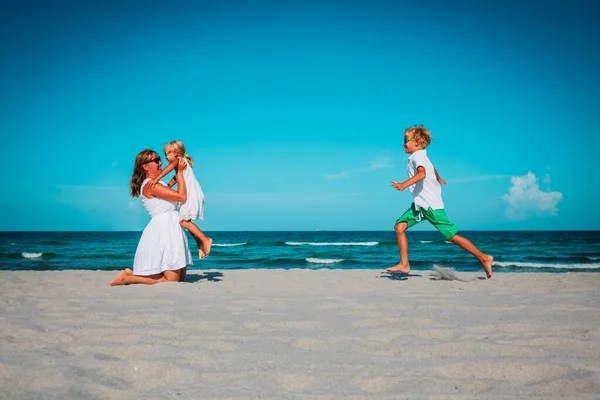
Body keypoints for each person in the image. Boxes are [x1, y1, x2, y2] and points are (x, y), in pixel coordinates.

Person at [387, 125, 494, 278]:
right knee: (399, 226)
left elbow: (422, 173)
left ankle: (484, 257)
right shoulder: (422, 157)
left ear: (416, 142)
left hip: (431, 206)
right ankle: (404, 264)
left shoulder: (418, 157)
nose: (403, 143)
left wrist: (404, 184)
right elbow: (431, 168)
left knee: (451, 236)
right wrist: (438, 178)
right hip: (420, 205)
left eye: (406, 140)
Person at [109, 149, 193, 286]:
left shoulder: (158, 183)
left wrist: (180, 169)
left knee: (180, 279)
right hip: (164, 231)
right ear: (146, 166)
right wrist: (179, 173)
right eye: (156, 160)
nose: (160, 162)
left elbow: (169, 187)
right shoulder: (150, 185)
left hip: (172, 228)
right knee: (171, 281)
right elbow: (182, 196)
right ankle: (127, 279)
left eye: (159, 159)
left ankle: (129, 273)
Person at [147, 140, 212, 260]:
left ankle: (205, 239)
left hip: (190, 193)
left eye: (166, 153)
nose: (165, 157)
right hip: (193, 192)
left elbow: (169, 168)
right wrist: (168, 186)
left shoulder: (178, 161)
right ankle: (200, 243)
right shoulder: (182, 163)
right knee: (185, 221)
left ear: (175, 152)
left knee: (183, 221)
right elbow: (176, 177)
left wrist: (156, 179)